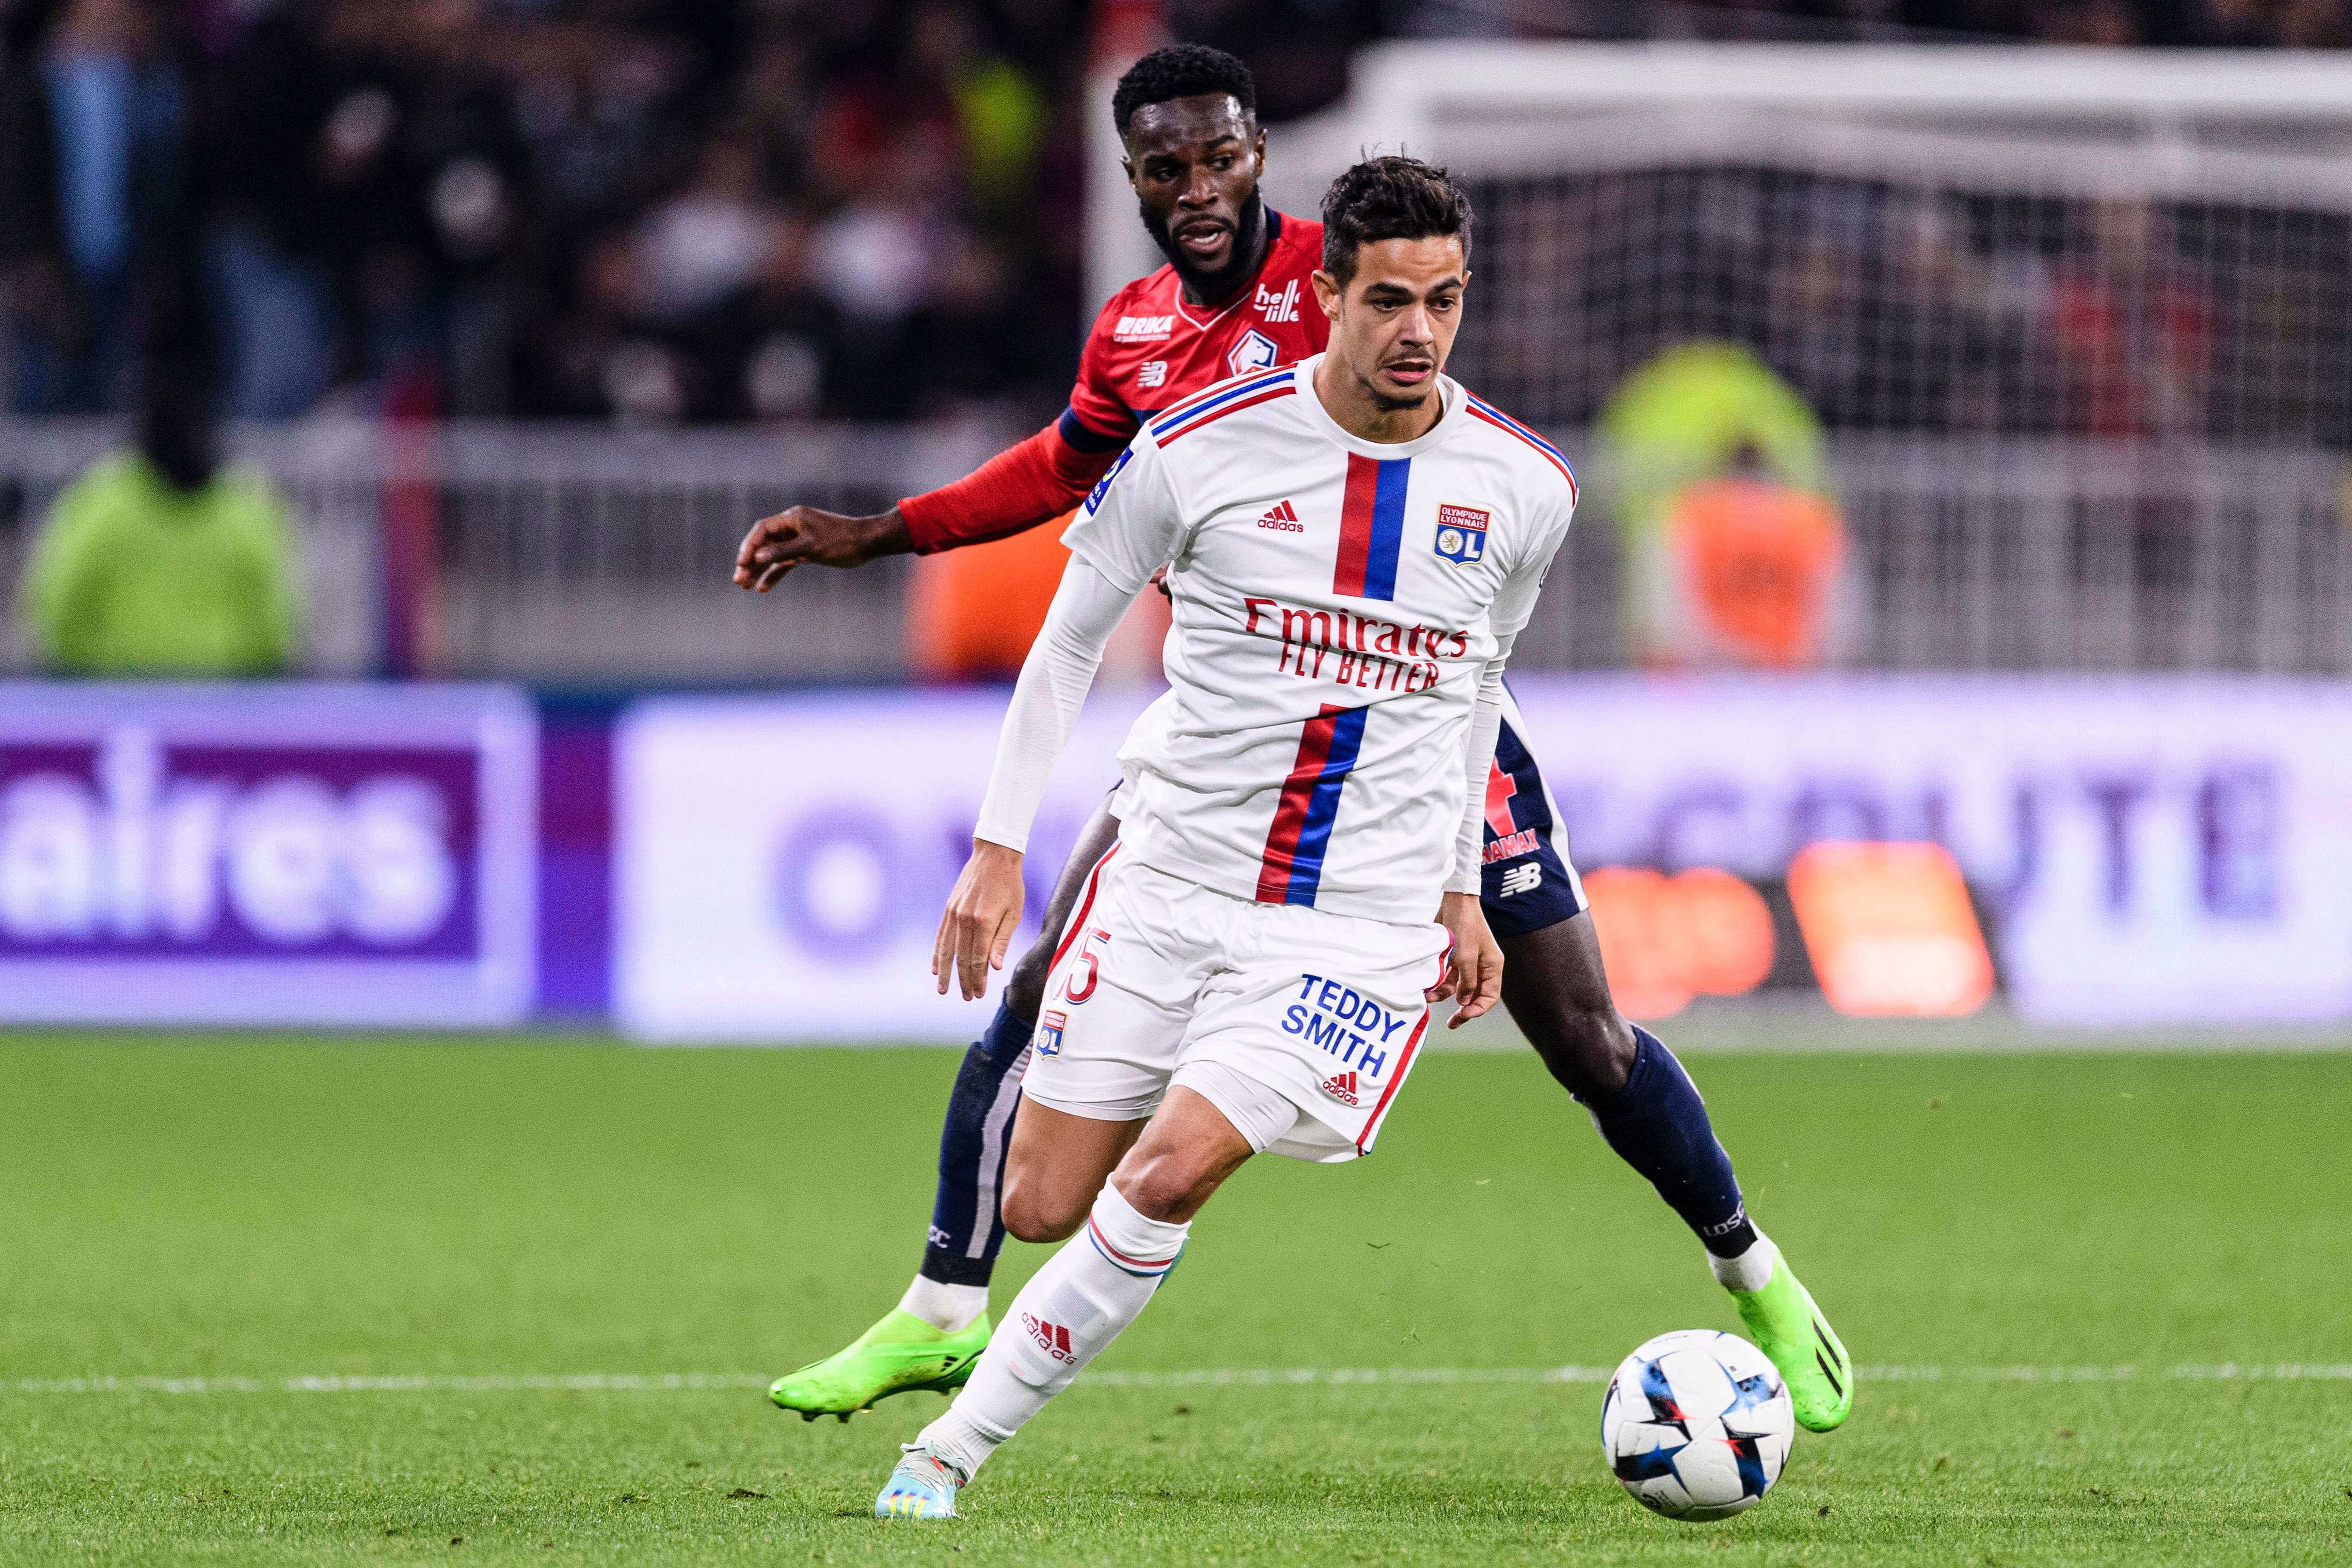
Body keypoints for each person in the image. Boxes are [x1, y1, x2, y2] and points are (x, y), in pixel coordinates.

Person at [732, 45, 1850, 1444]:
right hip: (1241, 734)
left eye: (1220, 157)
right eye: (1165, 167)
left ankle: (1753, 1273)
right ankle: (940, 1309)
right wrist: (881, 528)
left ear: (1262, 155)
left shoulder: (1347, 266)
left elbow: (1445, 452)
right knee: (1040, 972)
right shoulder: (1137, 332)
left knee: (1581, 1030)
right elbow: (1060, 471)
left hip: (1424, 727)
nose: (1198, 189)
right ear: (1131, 178)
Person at [877, 155, 1566, 1516]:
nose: (1417, 331)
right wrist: (1000, 844)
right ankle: (983, 1346)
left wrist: (1457, 886)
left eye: (1443, 299)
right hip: (1172, 874)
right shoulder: (1199, 447)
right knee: (1038, 1201)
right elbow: (1067, 644)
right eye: (1386, 301)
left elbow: (1474, 684)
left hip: (1353, 925)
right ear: (1325, 297)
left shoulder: (1524, 487)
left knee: (1174, 1166)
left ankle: (947, 1450)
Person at [23, 358, 300, 676]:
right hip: (217, 706)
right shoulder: (246, 509)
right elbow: (275, 632)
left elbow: (57, 612)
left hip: (115, 701)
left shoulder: (100, 504)